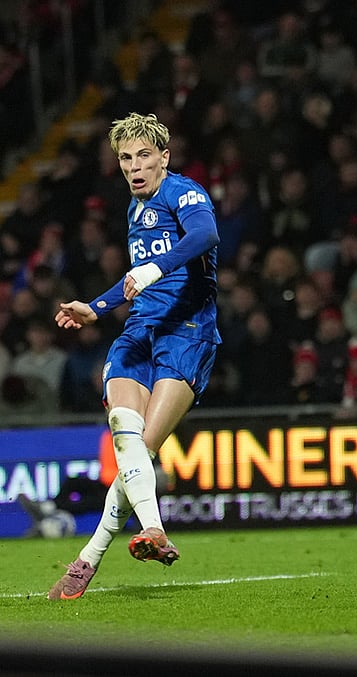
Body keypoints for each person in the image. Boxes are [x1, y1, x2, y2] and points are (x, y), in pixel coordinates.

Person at [47, 113, 222, 600]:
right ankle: (154, 531)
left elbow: (205, 236)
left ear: (164, 157)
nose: (134, 166)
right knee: (126, 438)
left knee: (142, 449)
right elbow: (135, 278)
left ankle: (89, 557)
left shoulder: (183, 192)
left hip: (187, 333)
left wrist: (155, 269)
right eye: (126, 158)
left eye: (144, 155)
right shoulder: (134, 208)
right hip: (139, 331)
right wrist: (96, 308)